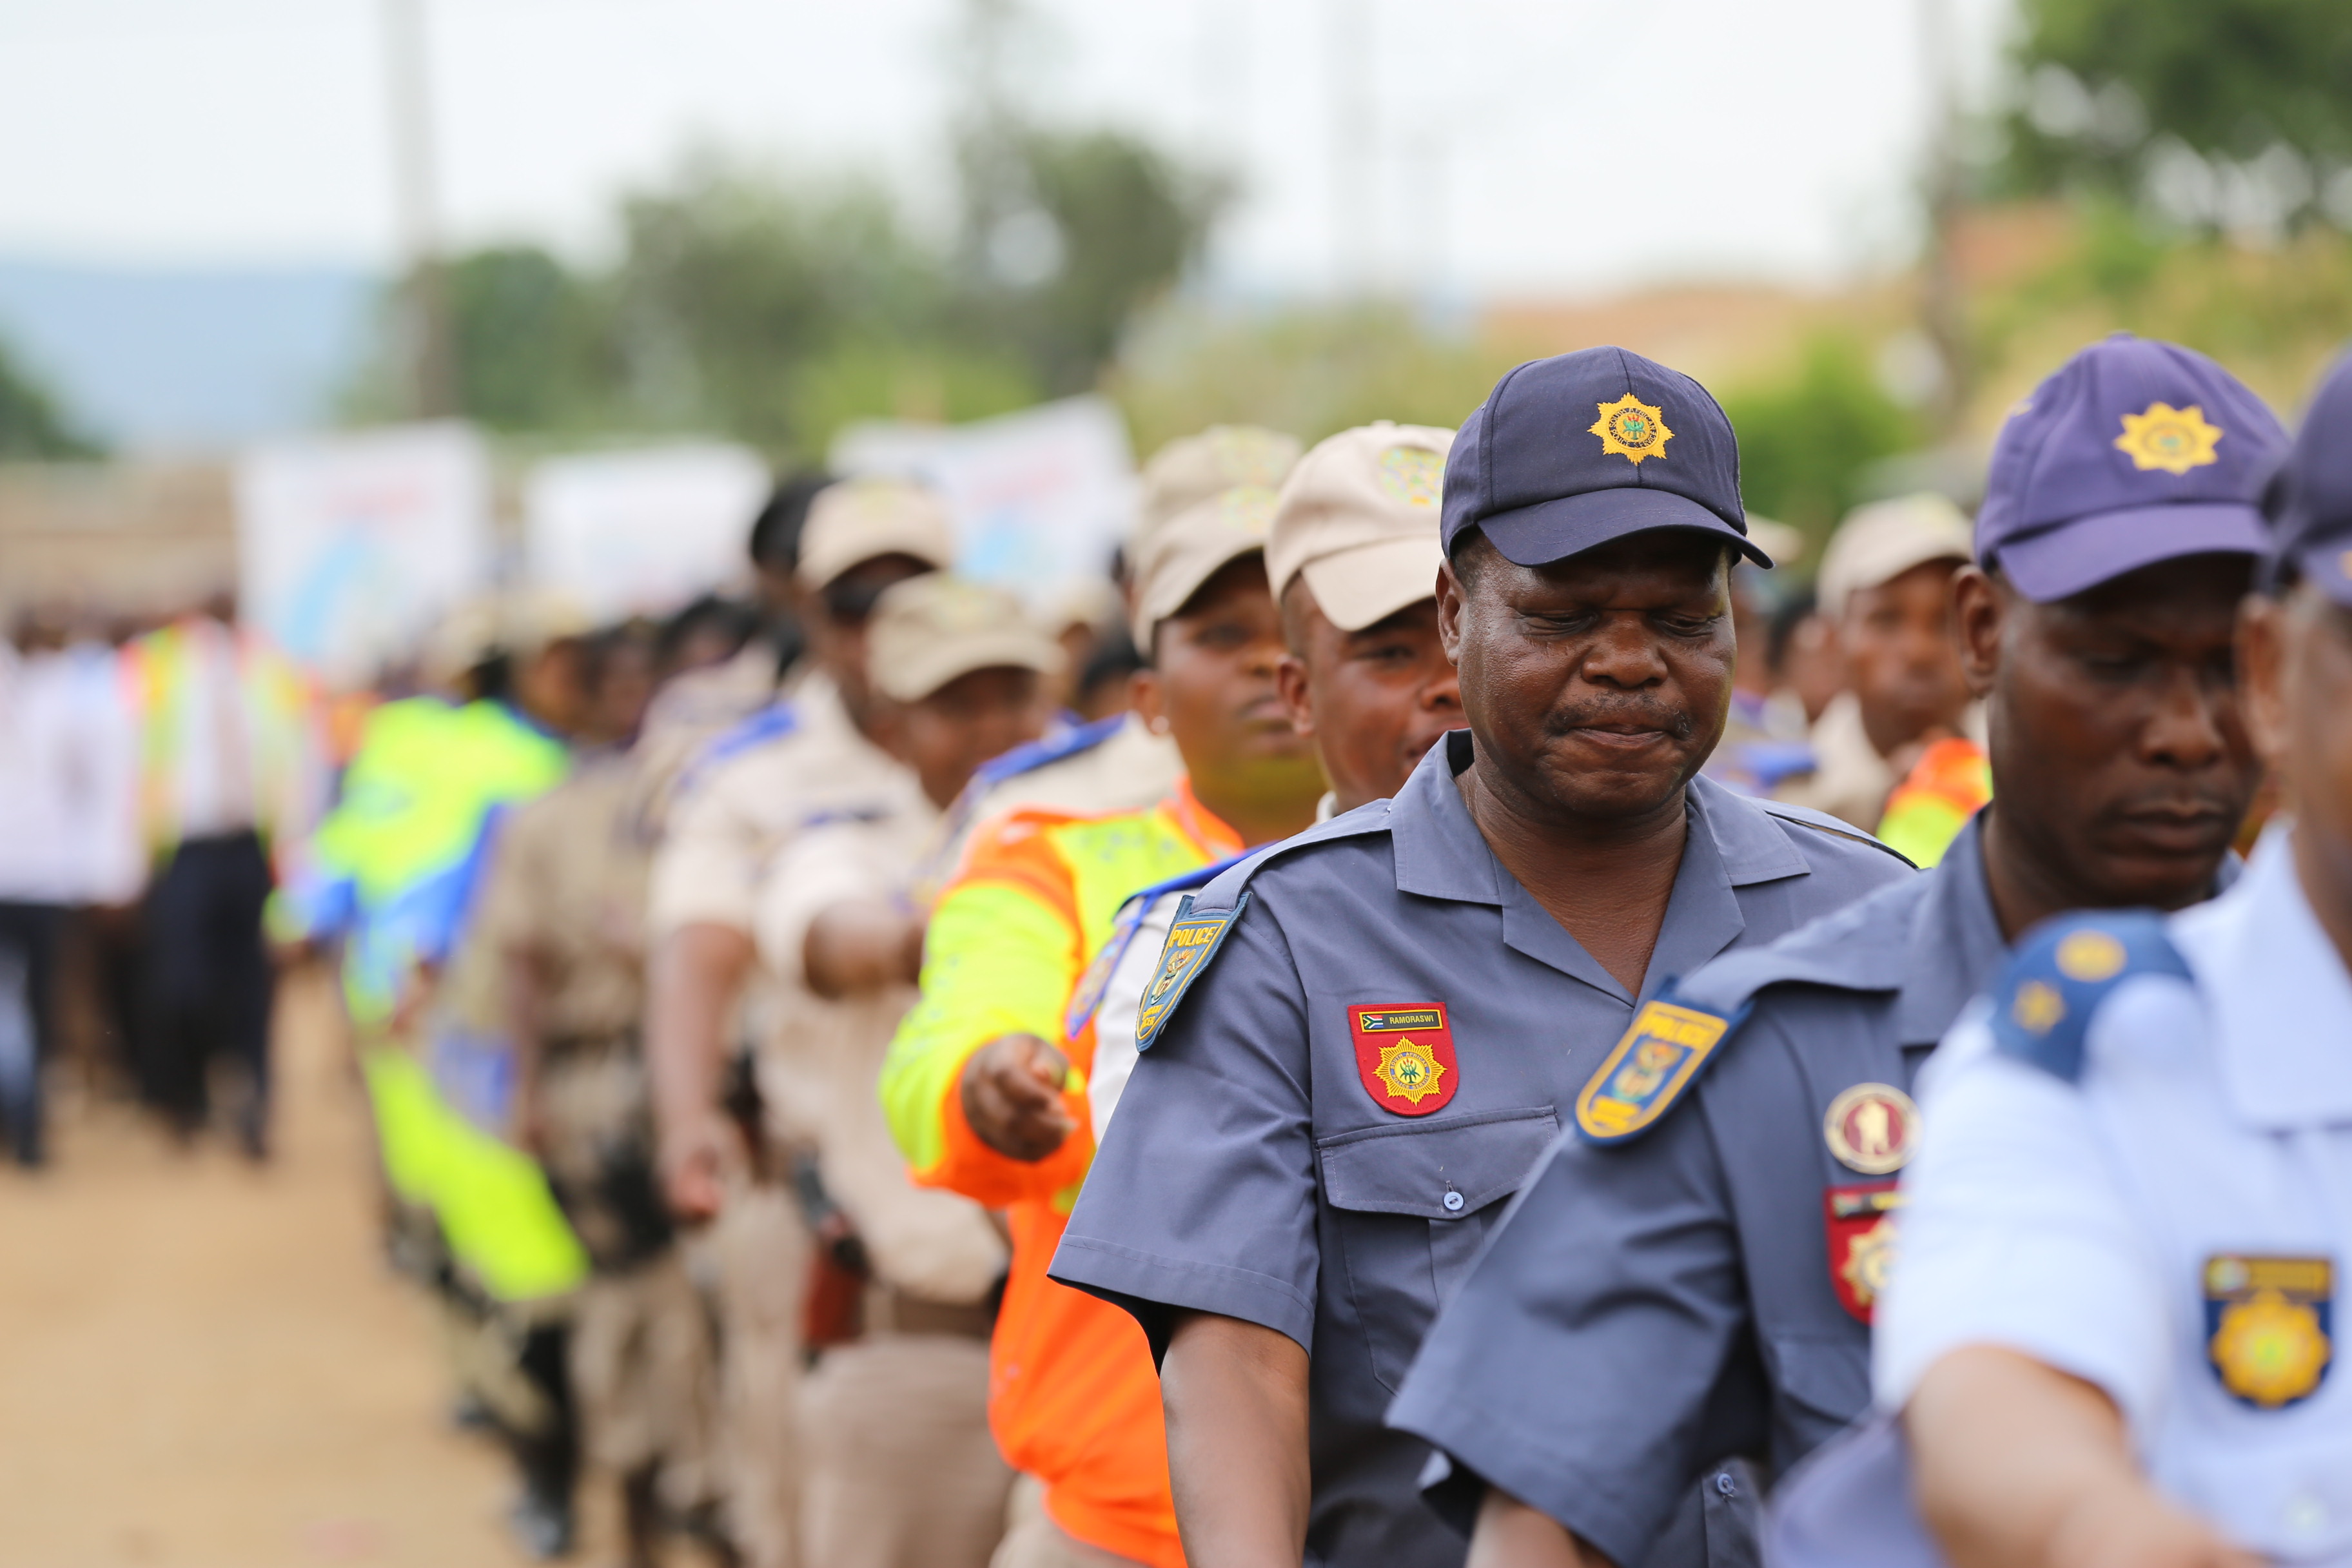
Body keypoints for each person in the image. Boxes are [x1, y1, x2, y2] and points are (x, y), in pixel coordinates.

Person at [1387, 332, 2285, 1568]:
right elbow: (1537, 1508)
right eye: (2111, 660)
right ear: (1983, 632)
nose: (2182, 732)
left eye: (2229, 665)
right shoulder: (1769, 1054)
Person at [1047, 348, 1912, 1568]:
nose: (1628, 660)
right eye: (1563, 617)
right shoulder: (1283, 945)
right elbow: (1235, 1362)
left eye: (1682, 618)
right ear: (1457, 614)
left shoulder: (1873, 916)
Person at [1767, 346, 2352, 1568]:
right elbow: (1998, 1420)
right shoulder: (2096, 1053)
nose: (2175, 733)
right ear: (2274, 672)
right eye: (2113, 657)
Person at [879, 482, 1326, 1568]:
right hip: (1125, 1523)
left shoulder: (1499, 872)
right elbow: (950, 1038)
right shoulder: (1049, 860)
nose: (1269, 663)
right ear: (1147, 697)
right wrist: (987, 1079)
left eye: (1301, 625)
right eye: (1222, 635)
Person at [644, 476, 952, 1568]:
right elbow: (697, 950)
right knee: (802, 1505)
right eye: (855, 601)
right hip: (823, 1213)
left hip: (1006, 1215)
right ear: (808, 613)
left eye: (911, 594)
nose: (882, 626)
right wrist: (685, 1117)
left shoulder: (1025, 747)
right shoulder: (752, 772)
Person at [754, 574, 1063, 1568]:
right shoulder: (839, 849)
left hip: (1097, 1356)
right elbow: (837, 937)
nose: (994, 727)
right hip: (928, 1352)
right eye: (956, 704)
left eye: (1013, 694)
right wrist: (1002, 930)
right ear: (891, 727)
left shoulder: (1101, 835)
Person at [1065, 419, 1464, 1150]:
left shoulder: (1664, 873)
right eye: (1390, 650)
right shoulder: (1213, 946)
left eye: (1473, 634)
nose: (1448, 682)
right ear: (1300, 692)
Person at [484, 622, 725, 1568]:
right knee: (631, 1298)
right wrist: (527, 1090)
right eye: (610, 684)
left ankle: (692, 1490)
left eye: (641, 682)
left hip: (692, 1080)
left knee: (696, 1304)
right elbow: (521, 964)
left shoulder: (698, 801)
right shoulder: (544, 819)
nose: (628, 701)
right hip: (596, 1084)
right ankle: (639, 1503)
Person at [919, 425, 1299, 889]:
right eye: (1224, 627)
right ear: (1135, 598)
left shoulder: (1384, 784)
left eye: (1292, 607)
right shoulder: (1031, 817)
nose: (1269, 656)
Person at [119, 591, 326, 1154]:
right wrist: (126, 863)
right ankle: (188, 1093)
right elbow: (126, 758)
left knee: (254, 984)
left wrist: (300, 859)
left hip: (253, 846)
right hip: (181, 848)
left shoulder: (271, 667)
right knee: (184, 984)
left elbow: (300, 761)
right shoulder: (154, 664)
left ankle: (254, 1105)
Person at [1771, 495, 1977, 835]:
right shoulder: (1783, 803)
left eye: (1947, 620)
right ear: (1833, 641)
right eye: (1886, 620)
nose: (1920, 652)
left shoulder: (2031, 774)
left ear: (1983, 635)